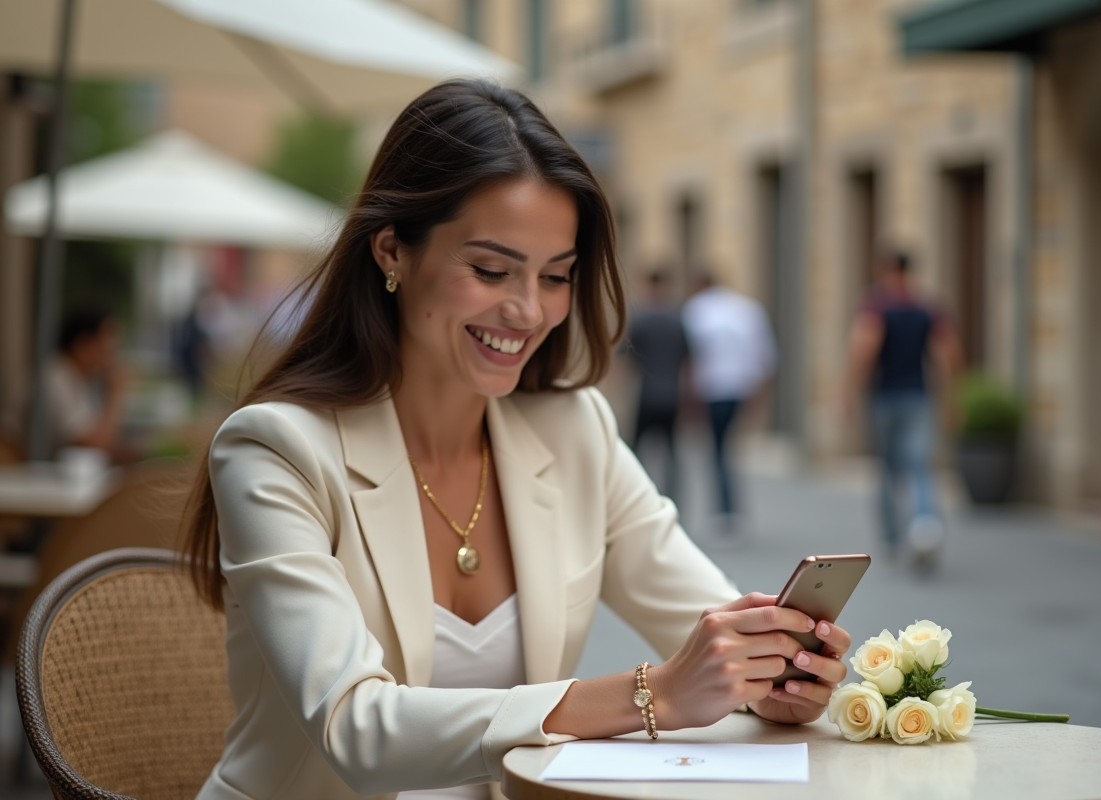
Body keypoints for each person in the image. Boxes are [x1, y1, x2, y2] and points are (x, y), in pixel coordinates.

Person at [183, 81, 851, 800]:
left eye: (556, 276)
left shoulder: (575, 431)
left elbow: (699, 618)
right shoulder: (275, 450)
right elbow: (356, 728)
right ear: (391, 253)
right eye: (491, 269)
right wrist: (651, 694)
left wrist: (768, 676)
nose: (529, 311)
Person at [844, 248, 962, 570]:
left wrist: (848, 391)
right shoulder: (926, 306)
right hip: (919, 397)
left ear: (884, 269)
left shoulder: (876, 305)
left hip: (884, 398)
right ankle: (924, 526)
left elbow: (863, 349)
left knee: (887, 469)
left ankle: (892, 538)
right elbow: (948, 352)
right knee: (920, 465)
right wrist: (951, 398)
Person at [680, 273, 777, 533]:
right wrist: (759, 393)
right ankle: (730, 509)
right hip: (739, 387)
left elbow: (691, 357)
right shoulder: (747, 309)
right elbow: (764, 355)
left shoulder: (695, 310)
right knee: (725, 449)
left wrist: (689, 395)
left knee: (718, 449)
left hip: (711, 389)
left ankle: (725, 510)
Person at [625, 269, 689, 502]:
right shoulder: (677, 319)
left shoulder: (640, 318)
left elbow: (625, 357)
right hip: (672, 394)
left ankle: (637, 497)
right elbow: (688, 359)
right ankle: (673, 500)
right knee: (671, 453)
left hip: (646, 394)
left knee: (635, 452)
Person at [44, 307, 131, 459]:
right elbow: (94, 447)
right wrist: (115, 393)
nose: (111, 358)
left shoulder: (79, 379)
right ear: (82, 344)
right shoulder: (54, 379)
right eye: (107, 348)